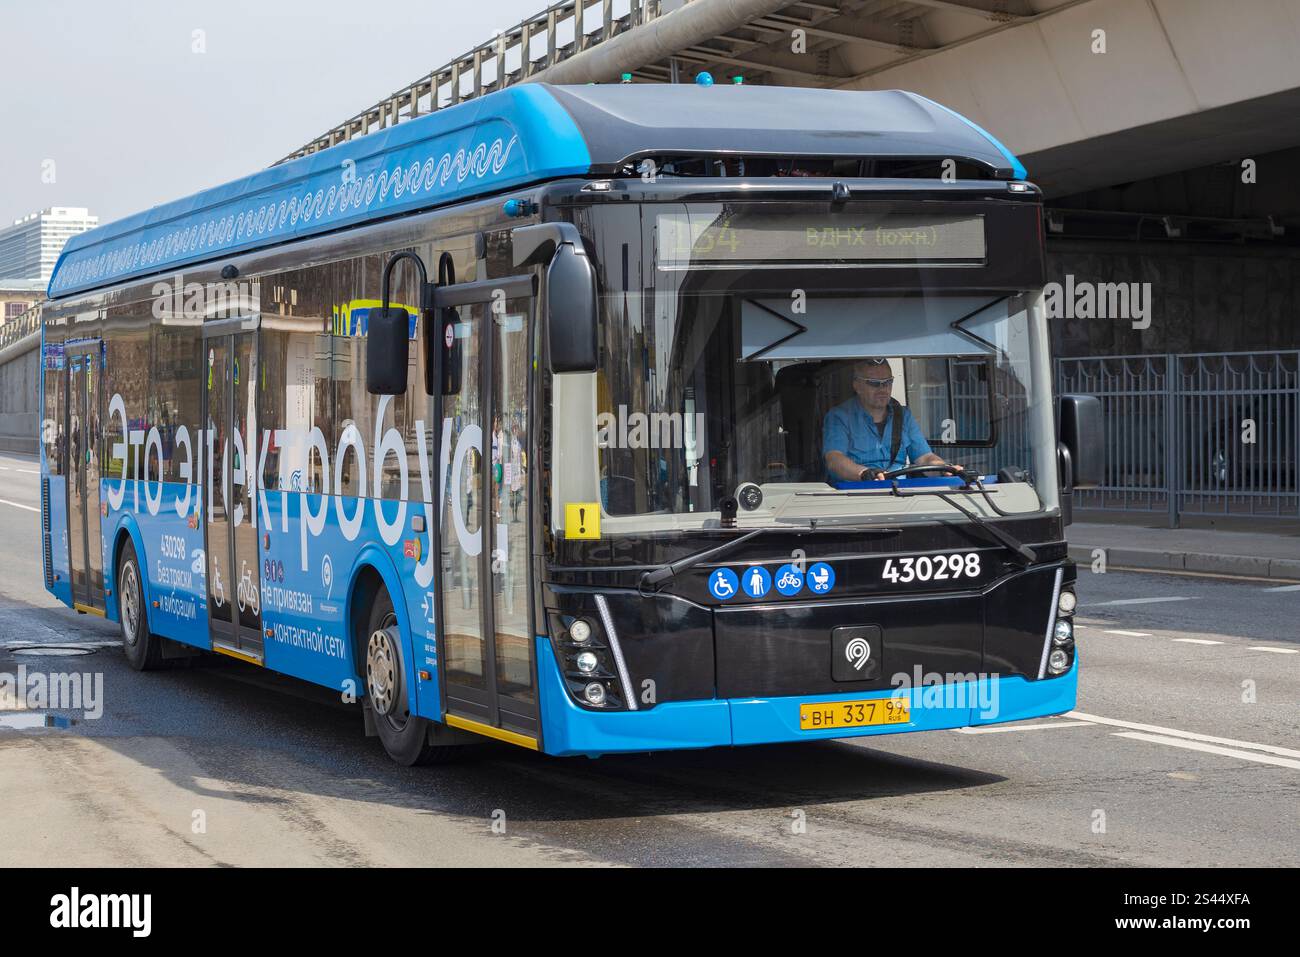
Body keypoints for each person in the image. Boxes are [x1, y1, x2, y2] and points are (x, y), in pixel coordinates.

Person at [822, 358, 956, 482]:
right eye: (874, 383)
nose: (883, 389)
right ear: (857, 386)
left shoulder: (904, 416)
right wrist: (864, 473)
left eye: (888, 382)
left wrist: (944, 469)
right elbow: (834, 459)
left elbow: (925, 457)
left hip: (899, 494)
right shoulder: (839, 416)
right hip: (855, 493)